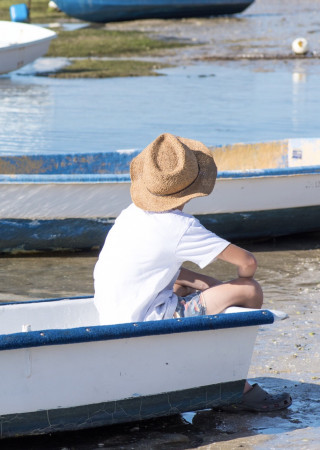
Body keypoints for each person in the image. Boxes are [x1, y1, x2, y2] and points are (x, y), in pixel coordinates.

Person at [92, 133, 292, 412]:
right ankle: (233, 384)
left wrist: (210, 284)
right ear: (190, 186)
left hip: (115, 318)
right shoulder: (179, 226)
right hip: (147, 323)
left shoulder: (130, 214)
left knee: (188, 285)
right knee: (249, 289)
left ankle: (218, 373)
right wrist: (230, 286)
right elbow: (247, 263)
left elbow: (156, 269)